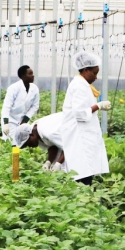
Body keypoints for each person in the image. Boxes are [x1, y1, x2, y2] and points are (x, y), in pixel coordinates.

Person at [50, 51, 112, 185]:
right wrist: (99, 106)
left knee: (85, 168)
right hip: (80, 134)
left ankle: (84, 196)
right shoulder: (79, 85)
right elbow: (80, 113)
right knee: (82, 170)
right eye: (94, 73)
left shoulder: (83, 84)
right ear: (85, 70)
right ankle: (83, 197)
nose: (96, 77)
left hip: (83, 134)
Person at [1, 65, 40, 142]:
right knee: (12, 143)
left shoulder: (34, 89)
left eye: (32, 73)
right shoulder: (13, 88)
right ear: (23, 76)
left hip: (23, 121)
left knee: (23, 143)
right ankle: (14, 154)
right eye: (30, 73)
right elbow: (6, 107)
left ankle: (19, 154)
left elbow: (35, 106)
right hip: (11, 120)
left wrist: (25, 120)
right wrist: (6, 124)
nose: (33, 75)